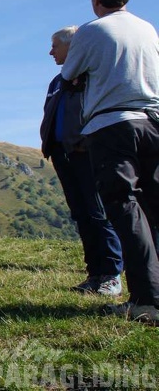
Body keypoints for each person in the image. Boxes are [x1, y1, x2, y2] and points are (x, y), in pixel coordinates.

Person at [61, 0, 159, 323]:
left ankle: (147, 300)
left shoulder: (92, 31)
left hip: (111, 125)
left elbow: (69, 75)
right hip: (152, 121)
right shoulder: (148, 28)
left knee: (124, 207)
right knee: (153, 208)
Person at [40, 26, 123, 296]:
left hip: (86, 153)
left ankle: (112, 274)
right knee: (82, 215)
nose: (51, 51)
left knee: (98, 213)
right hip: (63, 155)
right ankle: (95, 273)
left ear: (72, 47)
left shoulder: (90, 78)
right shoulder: (57, 81)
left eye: (55, 45)